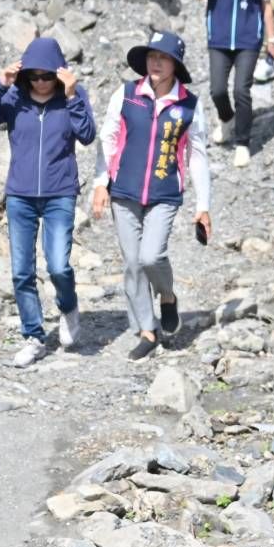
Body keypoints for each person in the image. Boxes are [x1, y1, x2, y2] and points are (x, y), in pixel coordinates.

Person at [0, 37, 96, 368]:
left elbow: (87, 134)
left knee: (58, 265)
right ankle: (34, 336)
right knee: (22, 271)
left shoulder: (72, 97)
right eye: (34, 76)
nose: (41, 82)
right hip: (20, 196)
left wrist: (71, 96)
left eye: (47, 76)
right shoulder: (15, 98)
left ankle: (68, 306)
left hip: (60, 193)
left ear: (59, 75)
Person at [90, 30, 211, 360]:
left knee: (150, 256)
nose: (156, 63)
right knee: (132, 263)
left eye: (164, 58)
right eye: (152, 56)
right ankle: (147, 329)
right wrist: (101, 182)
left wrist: (204, 206)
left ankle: (168, 296)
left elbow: (197, 155)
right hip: (124, 191)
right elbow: (108, 136)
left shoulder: (189, 105)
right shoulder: (127, 93)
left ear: (175, 65)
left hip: (165, 193)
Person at [194, 0, 274, 168]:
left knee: (241, 90)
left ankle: (242, 142)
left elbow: (267, 8)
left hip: (247, 42)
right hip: (219, 41)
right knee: (217, 90)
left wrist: (272, 39)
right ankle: (227, 119)